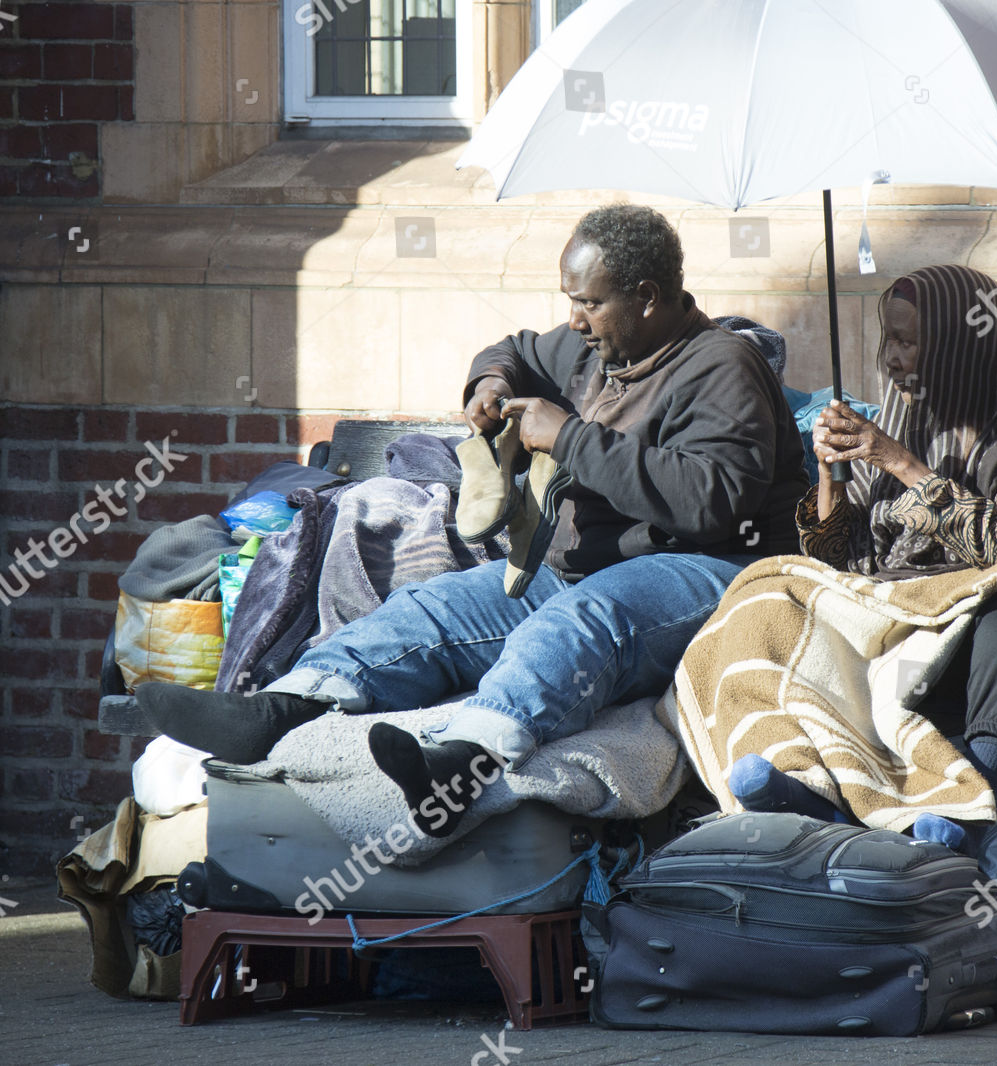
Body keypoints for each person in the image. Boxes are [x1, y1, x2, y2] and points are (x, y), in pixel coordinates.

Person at [138, 204, 809, 837]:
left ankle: (462, 763)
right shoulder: (594, 347)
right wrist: (489, 383)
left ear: (647, 295)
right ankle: (286, 706)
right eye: (570, 299)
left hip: (715, 575)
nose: (573, 318)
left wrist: (569, 437)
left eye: (588, 301)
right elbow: (515, 348)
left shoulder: (723, 367)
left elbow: (712, 499)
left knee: (583, 622)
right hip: (587, 569)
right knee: (434, 608)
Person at [727, 264, 997, 851]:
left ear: (962, 347)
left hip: (985, 615)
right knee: (767, 589)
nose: (891, 359)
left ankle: (970, 800)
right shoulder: (900, 418)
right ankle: (812, 790)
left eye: (909, 341)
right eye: (887, 340)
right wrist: (830, 477)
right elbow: (841, 556)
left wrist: (899, 463)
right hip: (896, 609)